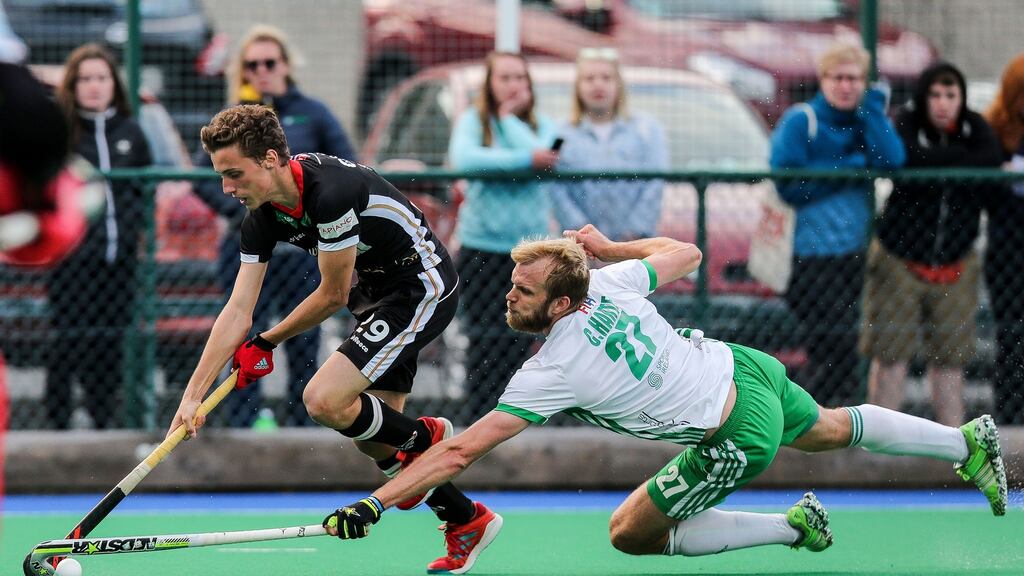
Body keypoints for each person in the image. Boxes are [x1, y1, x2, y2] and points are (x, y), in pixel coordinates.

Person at [321, 225, 1007, 572]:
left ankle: (792, 525)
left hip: (734, 427)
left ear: (562, 302)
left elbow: (462, 449)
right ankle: (964, 442)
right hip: (744, 367)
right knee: (829, 427)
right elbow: (688, 252)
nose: (509, 295)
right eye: (512, 284)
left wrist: (375, 502)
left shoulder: (549, 371)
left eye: (524, 291)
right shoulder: (610, 285)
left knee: (629, 534)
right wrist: (610, 248)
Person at [166, 104, 491, 571]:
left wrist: (267, 341)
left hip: (420, 288)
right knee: (378, 444)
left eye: (235, 174)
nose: (227, 189)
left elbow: (333, 294)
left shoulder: (329, 193)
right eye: (221, 176)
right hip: (376, 295)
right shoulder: (261, 216)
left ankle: (425, 436)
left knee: (322, 399)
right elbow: (237, 309)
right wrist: (191, 397)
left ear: (272, 158)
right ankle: (467, 519)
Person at [191, 24, 357, 427]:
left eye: (270, 62)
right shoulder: (231, 120)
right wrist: (248, 212)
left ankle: (303, 429)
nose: (262, 70)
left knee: (304, 340)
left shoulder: (312, 111)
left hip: (305, 251)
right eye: (252, 64)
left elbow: (348, 165)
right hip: (252, 243)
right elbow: (202, 177)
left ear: (285, 65)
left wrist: (308, 215)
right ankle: (244, 428)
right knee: (242, 340)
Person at [862, 62, 1003, 426]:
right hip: (900, 261)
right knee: (891, 356)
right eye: (935, 95)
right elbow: (907, 158)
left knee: (950, 359)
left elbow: (991, 158)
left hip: (956, 263)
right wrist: (959, 162)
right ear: (924, 98)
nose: (943, 103)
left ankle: (952, 446)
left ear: (961, 98)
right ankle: (880, 441)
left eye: (950, 95)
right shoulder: (907, 123)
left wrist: (951, 161)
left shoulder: (976, 128)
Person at [770, 41, 905, 407]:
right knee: (834, 342)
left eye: (855, 78)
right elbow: (789, 184)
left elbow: (892, 160)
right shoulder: (802, 121)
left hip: (852, 253)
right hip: (807, 256)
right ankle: (806, 414)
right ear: (823, 79)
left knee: (841, 346)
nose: (846, 86)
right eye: (838, 77)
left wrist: (875, 110)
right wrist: (850, 169)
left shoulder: (864, 123)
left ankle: (824, 420)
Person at [448, 51, 559, 422]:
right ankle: (477, 416)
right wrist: (525, 160)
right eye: (505, 78)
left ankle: (515, 417)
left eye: (520, 78)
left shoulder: (542, 124)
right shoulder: (472, 122)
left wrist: (509, 123)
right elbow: (465, 160)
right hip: (482, 248)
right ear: (489, 85)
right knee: (483, 337)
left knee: (522, 338)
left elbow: (550, 155)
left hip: (529, 254)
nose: (514, 86)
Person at [46, 44, 152, 429]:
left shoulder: (131, 132)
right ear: (73, 85)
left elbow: (144, 194)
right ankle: (58, 422)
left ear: (114, 84)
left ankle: (102, 420)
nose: (93, 86)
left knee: (109, 345)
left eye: (101, 78)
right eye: (85, 79)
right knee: (68, 341)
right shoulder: (62, 132)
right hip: (71, 261)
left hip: (118, 260)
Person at [548, 47, 667, 241]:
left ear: (618, 84)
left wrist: (633, 233)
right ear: (577, 86)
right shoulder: (557, 133)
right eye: (589, 78)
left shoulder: (647, 130)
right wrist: (579, 231)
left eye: (606, 77)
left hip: (633, 244)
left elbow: (655, 185)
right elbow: (553, 184)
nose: (598, 85)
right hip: (579, 247)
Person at [984, 52, 1024, 425]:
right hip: (1008, 251)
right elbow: (989, 190)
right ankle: (1009, 417)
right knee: (1010, 336)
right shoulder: (996, 129)